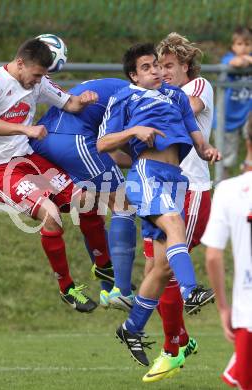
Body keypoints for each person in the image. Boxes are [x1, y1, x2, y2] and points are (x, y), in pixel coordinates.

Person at [97, 43, 220, 373]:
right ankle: (191, 291)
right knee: (175, 229)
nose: (156, 71)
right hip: (147, 175)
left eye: (158, 66)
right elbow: (103, 144)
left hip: (175, 178)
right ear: (134, 75)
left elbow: (197, 137)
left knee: (162, 266)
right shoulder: (126, 97)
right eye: (148, 67)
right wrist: (134, 131)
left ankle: (132, 327)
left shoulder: (178, 97)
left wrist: (207, 150)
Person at [0, 37, 109, 314]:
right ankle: (67, 287)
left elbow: (69, 103)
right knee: (50, 214)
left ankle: (104, 266)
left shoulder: (38, 80)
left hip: (28, 159)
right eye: (36, 75)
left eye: (42, 77)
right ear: (20, 63)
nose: (38, 82)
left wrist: (84, 100)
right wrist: (27, 130)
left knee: (87, 199)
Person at [137, 32, 214, 382]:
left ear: (186, 66)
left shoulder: (199, 88)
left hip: (193, 191)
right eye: (158, 67)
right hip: (163, 189)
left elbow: (185, 111)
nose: (164, 72)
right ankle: (180, 339)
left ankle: (173, 349)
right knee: (154, 269)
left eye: (169, 66)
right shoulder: (160, 94)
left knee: (165, 267)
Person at [30, 78, 138, 310]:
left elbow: (108, 154)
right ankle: (121, 289)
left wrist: (141, 162)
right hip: (72, 140)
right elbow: (108, 146)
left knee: (88, 204)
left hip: (46, 141)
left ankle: (107, 287)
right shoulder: (137, 97)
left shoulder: (113, 89)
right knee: (123, 205)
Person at [201, 120, 252, 390]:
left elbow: (213, 256)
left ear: (246, 142)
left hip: (248, 313)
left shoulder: (229, 190)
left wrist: (223, 308)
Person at [218, 26, 252, 178]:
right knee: (227, 158)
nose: (243, 48)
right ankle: (222, 184)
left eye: (247, 44)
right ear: (232, 46)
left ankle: (247, 168)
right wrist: (245, 61)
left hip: (247, 114)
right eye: (239, 44)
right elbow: (235, 63)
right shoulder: (227, 59)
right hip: (229, 117)